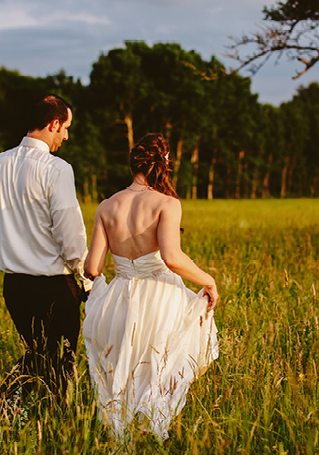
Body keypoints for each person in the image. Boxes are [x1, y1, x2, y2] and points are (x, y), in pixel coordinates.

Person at [82, 133, 219, 440]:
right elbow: (172, 257)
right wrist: (207, 280)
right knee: (160, 365)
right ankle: (156, 433)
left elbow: (92, 268)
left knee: (125, 369)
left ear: (133, 165)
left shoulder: (106, 206)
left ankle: (123, 435)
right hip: (160, 296)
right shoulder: (167, 203)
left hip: (120, 295)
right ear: (163, 164)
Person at [0, 94, 88, 403]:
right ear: (54, 123)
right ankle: (17, 408)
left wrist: (15, 224)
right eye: (65, 127)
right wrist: (86, 278)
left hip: (15, 287)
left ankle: (12, 412)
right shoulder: (57, 169)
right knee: (60, 365)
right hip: (54, 286)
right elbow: (70, 234)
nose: (66, 135)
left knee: (38, 355)